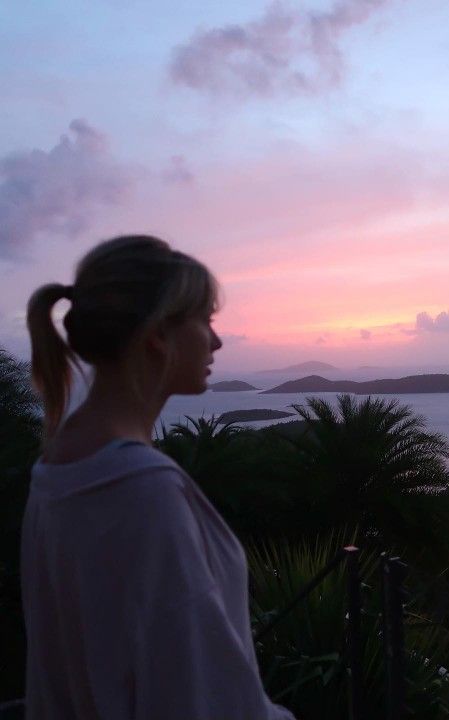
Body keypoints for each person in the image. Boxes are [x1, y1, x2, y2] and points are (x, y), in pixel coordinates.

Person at [21, 235, 296, 719]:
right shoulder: (142, 490)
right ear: (158, 335)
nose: (216, 340)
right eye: (205, 320)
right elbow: (199, 698)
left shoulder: (58, 465)